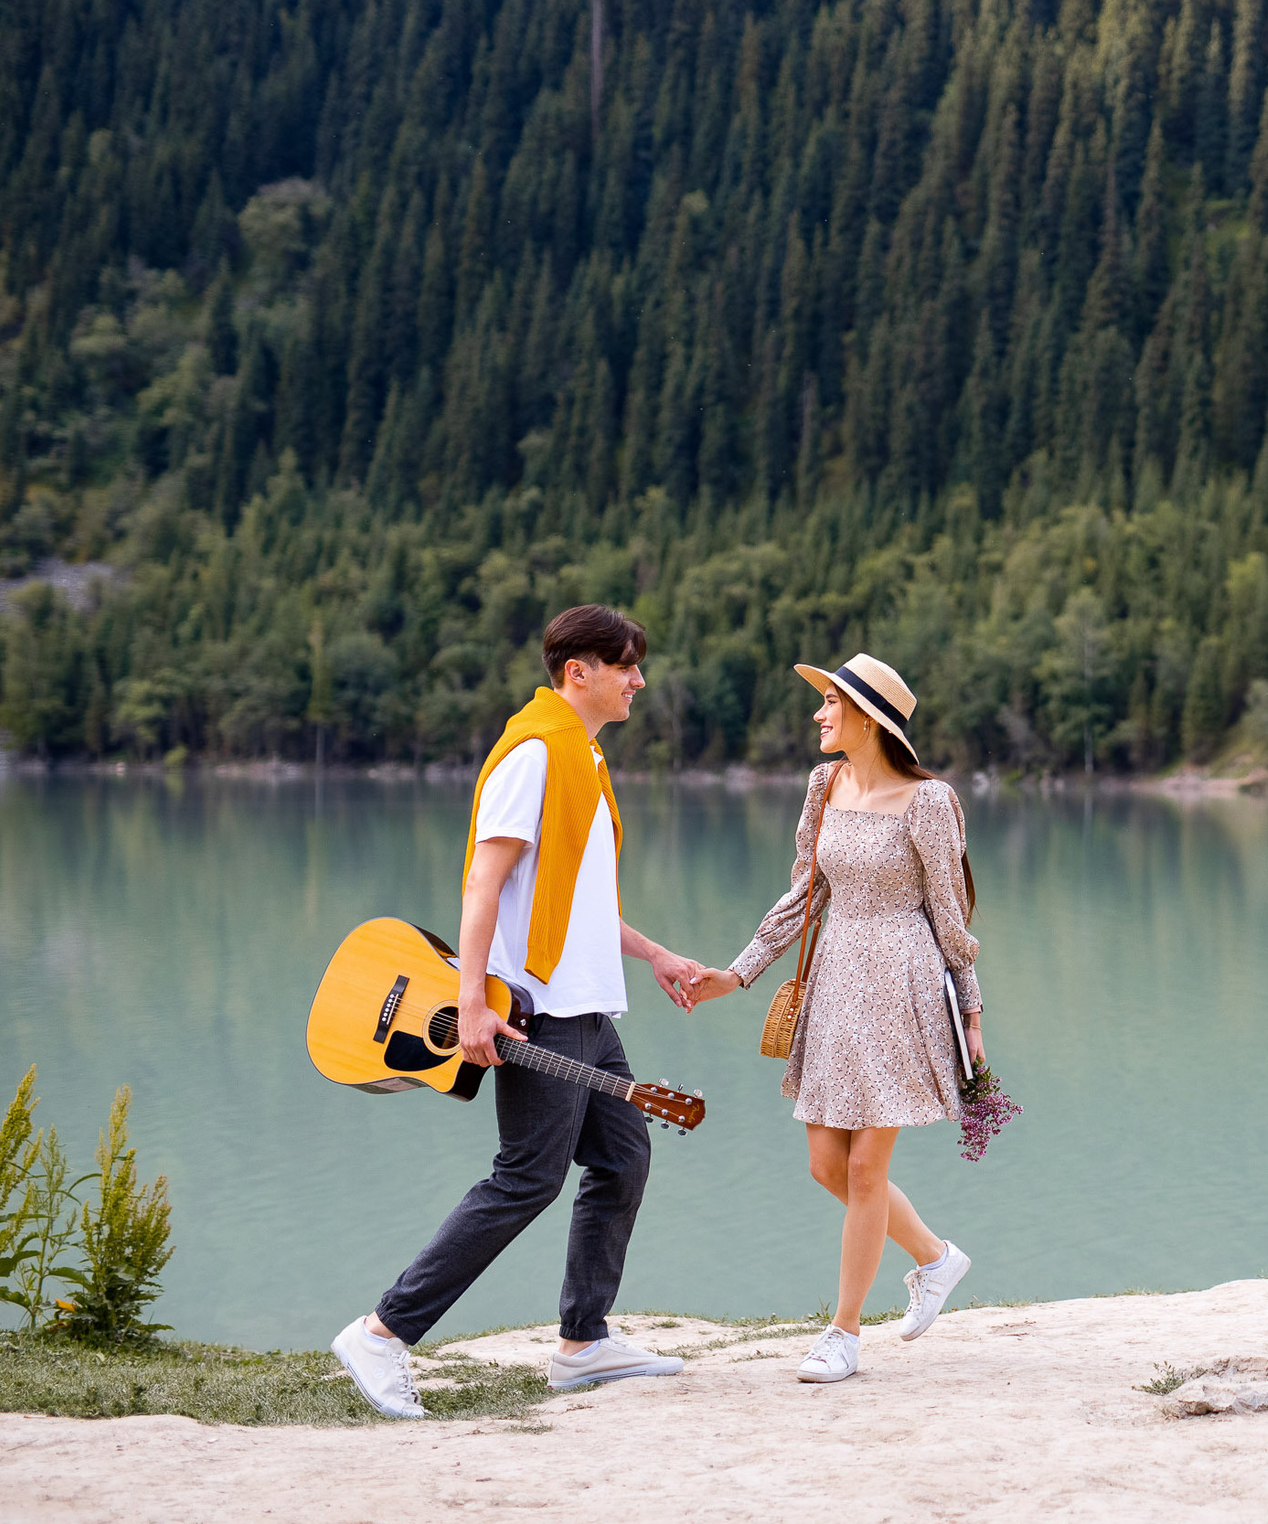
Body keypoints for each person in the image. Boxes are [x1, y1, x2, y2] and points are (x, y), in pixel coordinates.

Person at [330, 605, 713, 1419]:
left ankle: (583, 1341)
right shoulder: (535, 754)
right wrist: (471, 998)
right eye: (626, 665)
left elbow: (573, 901)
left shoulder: (583, 757)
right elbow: (484, 881)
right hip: (538, 1009)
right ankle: (383, 1331)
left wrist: (654, 955)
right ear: (579, 670)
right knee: (526, 1177)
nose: (639, 679)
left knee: (623, 1157)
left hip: (589, 1009)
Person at [683, 652, 983, 1384]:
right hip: (835, 984)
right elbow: (803, 896)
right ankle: (937, 1258)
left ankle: (843, 1332)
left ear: (869, 717)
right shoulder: (823, 785)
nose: (818, 714)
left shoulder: (931, 802)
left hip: (904, 983)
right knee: (827, 1164)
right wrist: (740, 971)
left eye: (829, 703)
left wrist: (970, 1010)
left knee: (868, 1164)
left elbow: (950, 912)